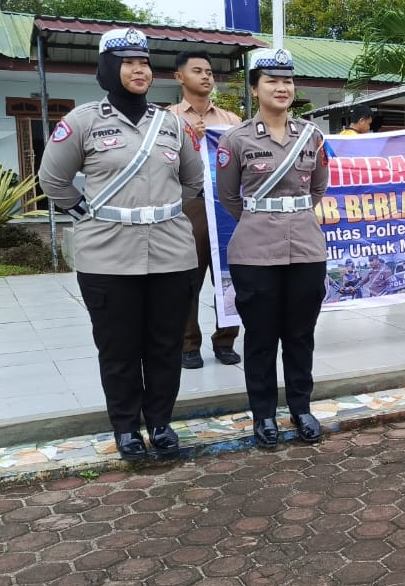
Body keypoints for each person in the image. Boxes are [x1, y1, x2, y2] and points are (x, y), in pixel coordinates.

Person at [39, 28, 202, 461]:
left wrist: (158, 211)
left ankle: (162, 423)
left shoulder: (171, 124)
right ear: (109, 68)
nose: (139, 69)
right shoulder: (82, 121)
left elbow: (192, 180)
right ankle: (127, 428)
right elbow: (52, 180)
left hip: (171, 253)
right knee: (118, 348)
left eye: (144, 62)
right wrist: (89, 215)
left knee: (165, 346)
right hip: (107, 257)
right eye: (128, 62)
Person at [215, 46, 330, 448]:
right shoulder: (236, 139)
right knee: (261, 337)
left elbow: (318, 188)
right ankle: (263, 415)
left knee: (300, 335)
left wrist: (292, 217)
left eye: (287, 80)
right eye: (272, 81)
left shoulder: (311, 136)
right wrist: (265, 219)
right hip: (255, 253)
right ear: (255, 87)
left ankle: (301, 408)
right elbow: (229, 197)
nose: (282, 88)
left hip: (306, 250)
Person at [171, 50, 243, 369]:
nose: (206, 76)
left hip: (226, 205)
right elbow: (157, 164)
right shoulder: (168, 119)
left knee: (230, 276)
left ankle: (225, 339)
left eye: (210, 72)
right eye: (197, 70)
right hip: (189, 205)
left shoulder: (231, 122)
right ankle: (188, 344)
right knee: (186, 277)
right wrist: (189, 141)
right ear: (180, 77)